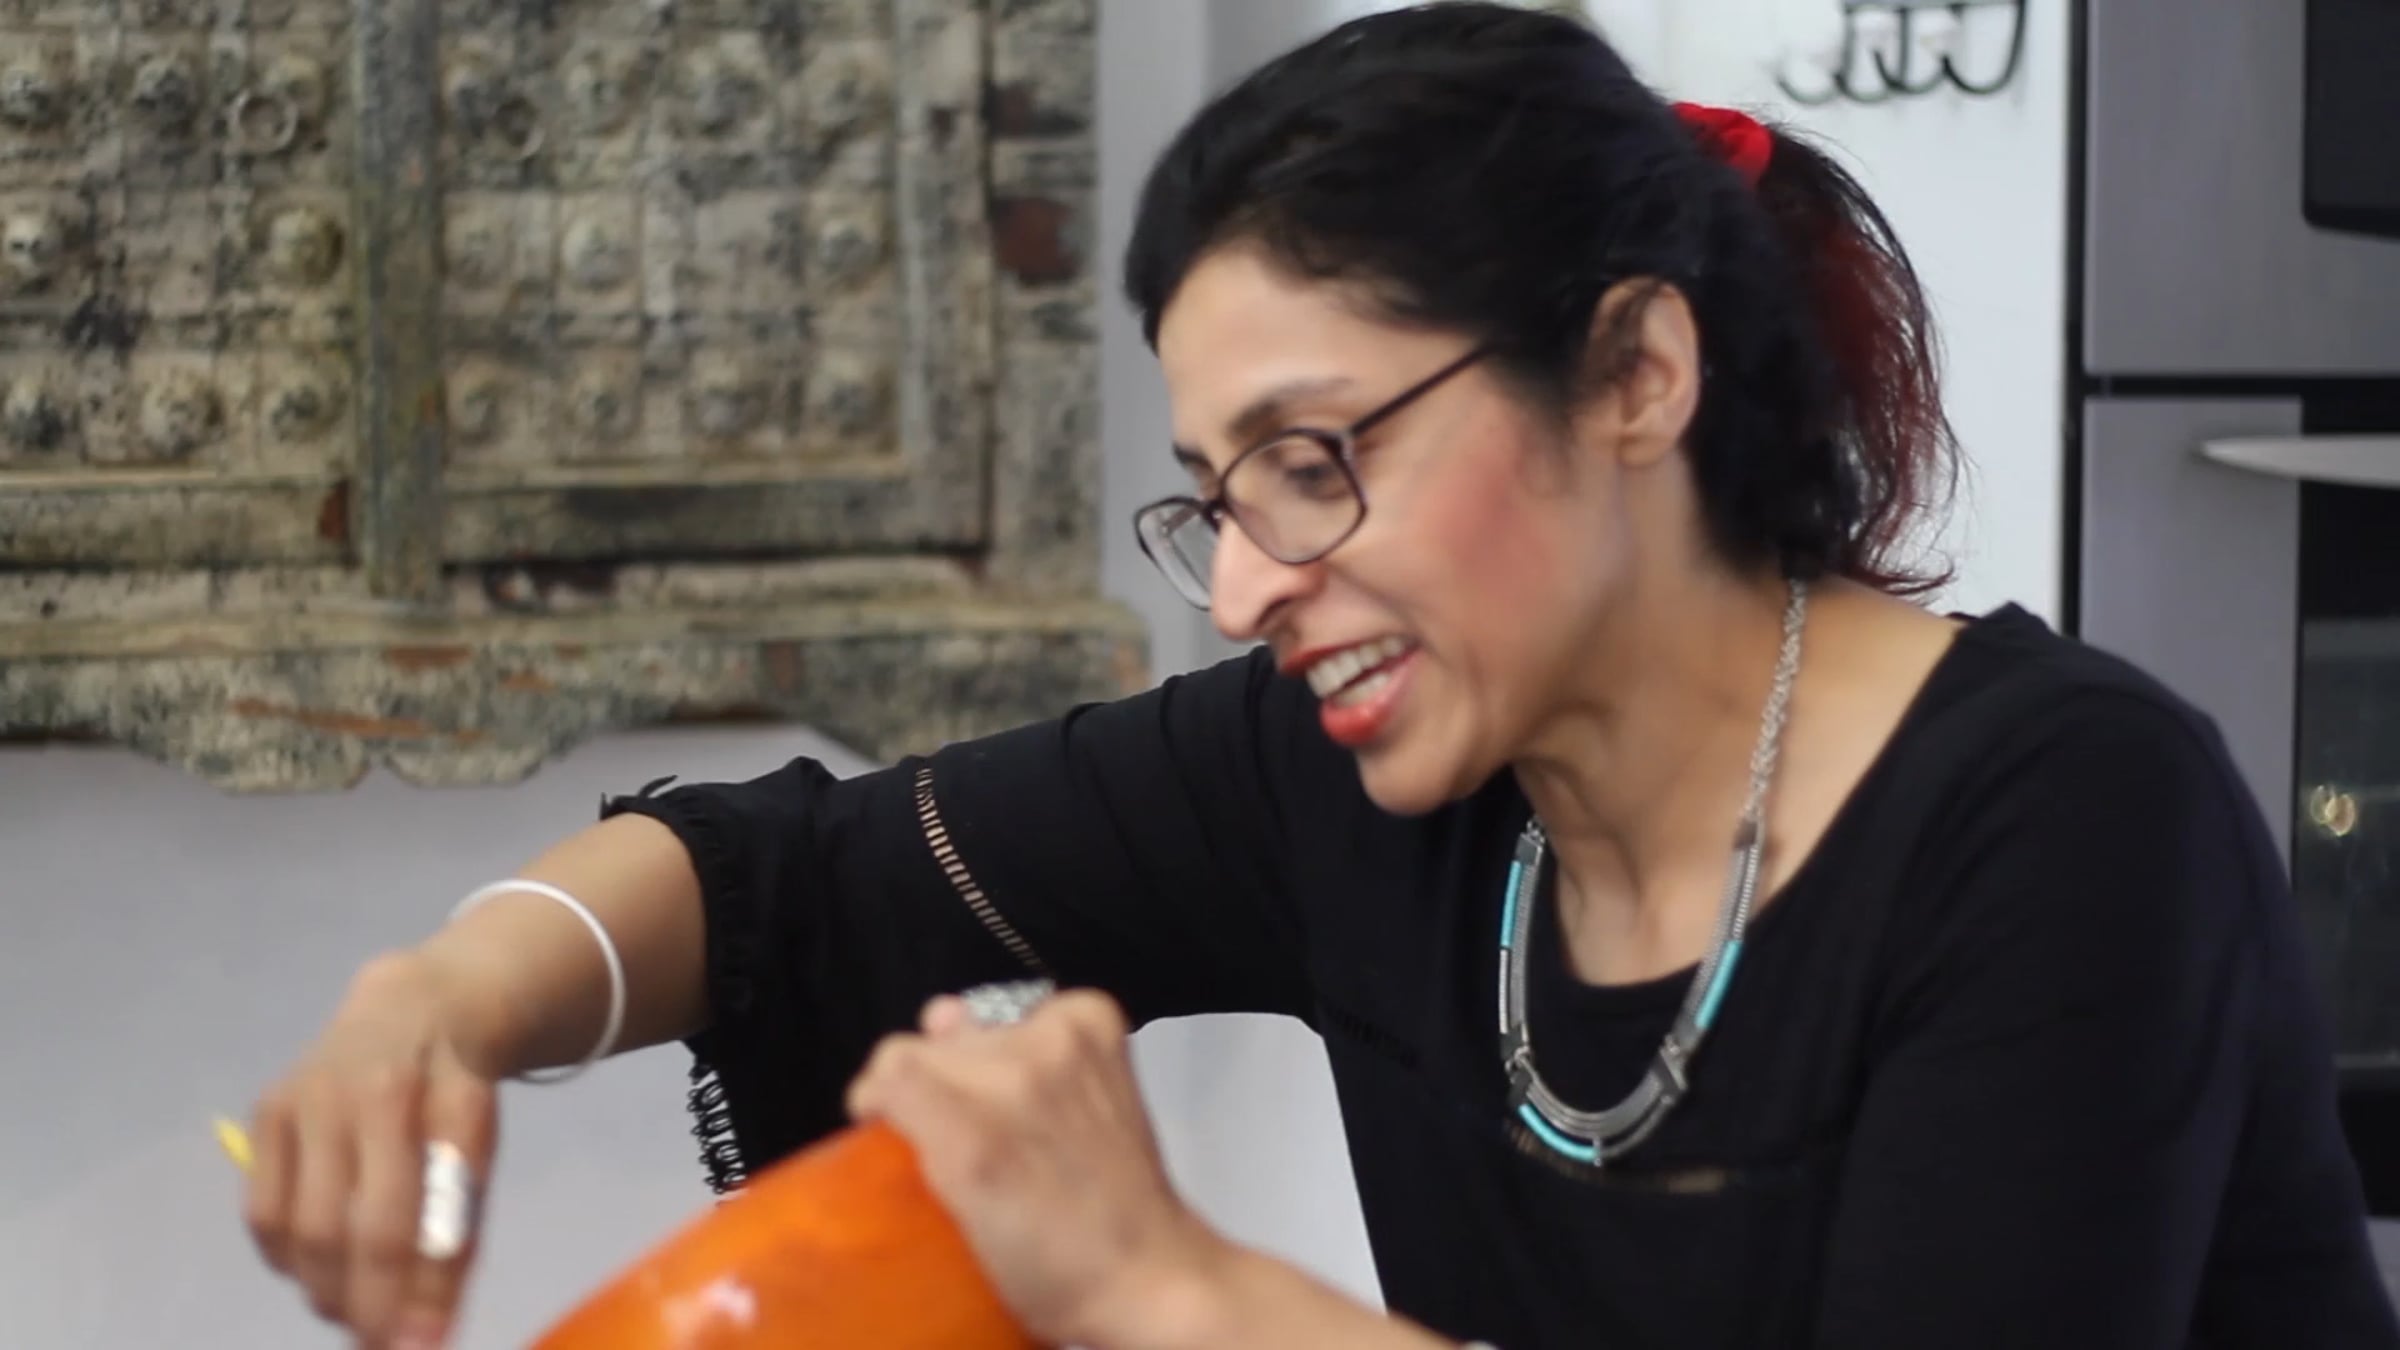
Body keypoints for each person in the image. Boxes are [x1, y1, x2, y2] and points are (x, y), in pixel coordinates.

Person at [238, 5, 2400, 1347]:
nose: (1249, 586)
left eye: (1315, 461)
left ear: (1633, 373)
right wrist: (436, 1004)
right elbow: (781, 879)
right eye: (1216, 497)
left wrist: (1169, 1285)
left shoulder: (2068, 823)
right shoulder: (1362, 774)